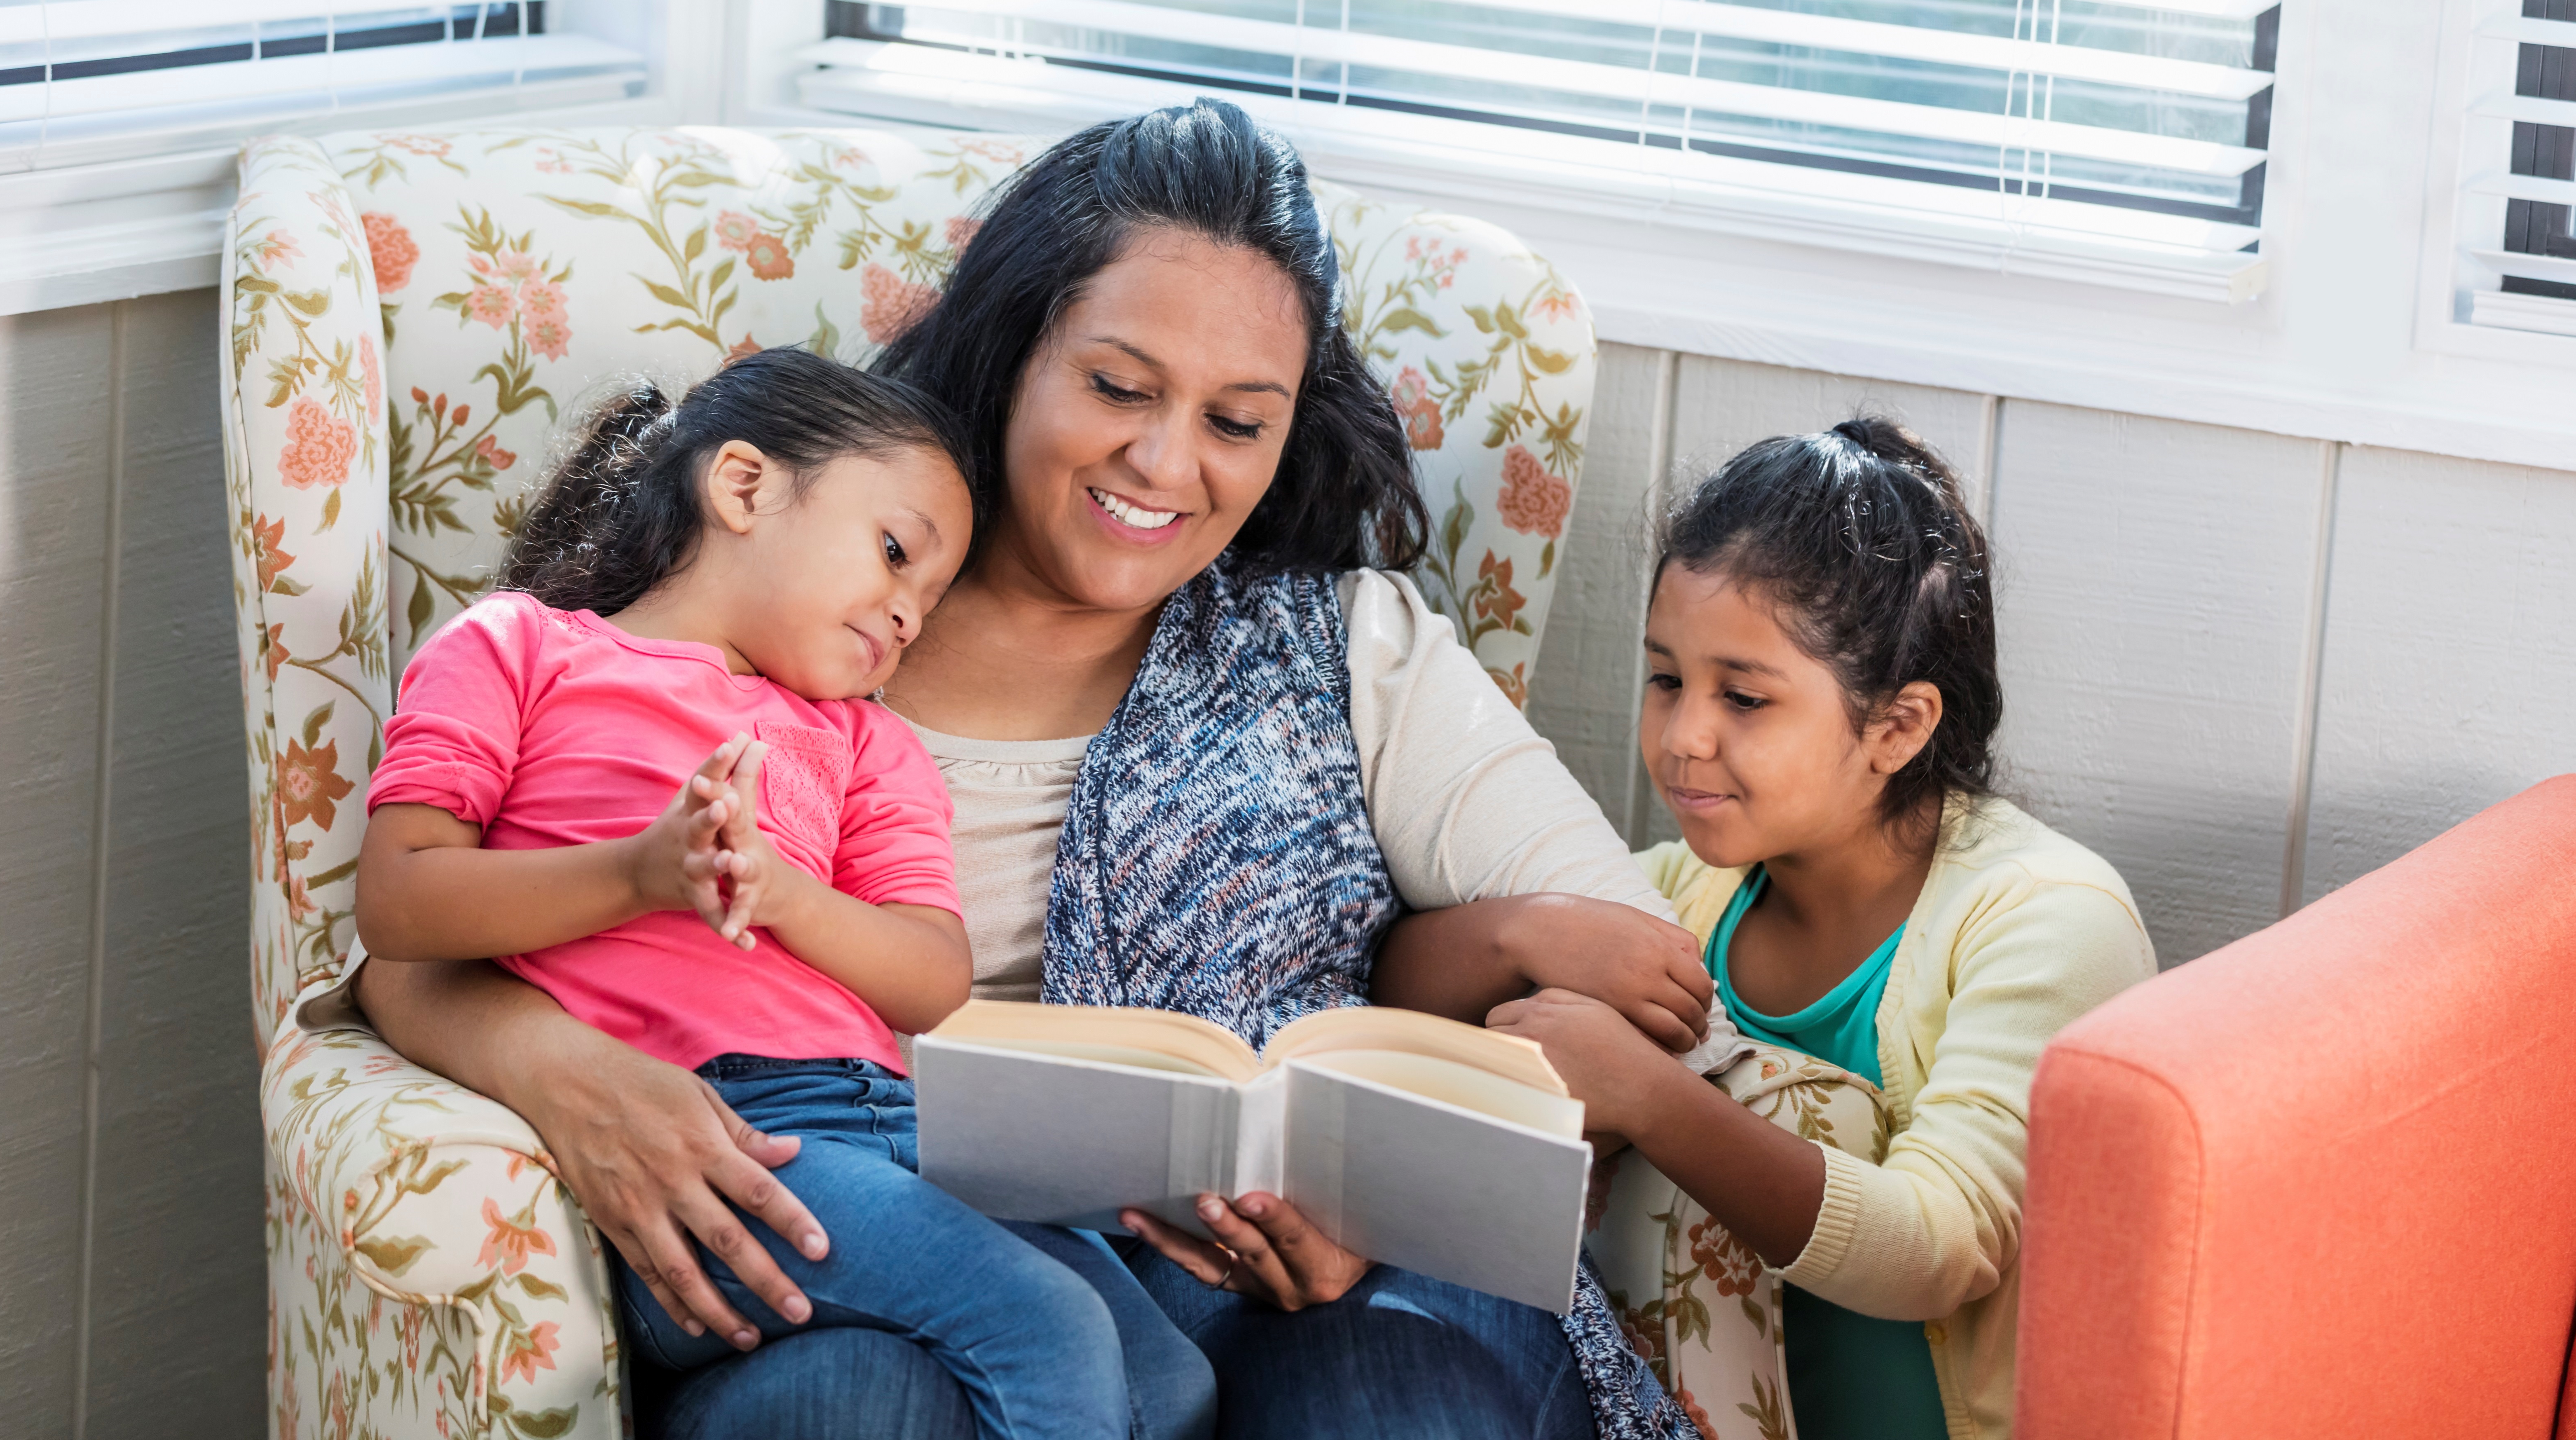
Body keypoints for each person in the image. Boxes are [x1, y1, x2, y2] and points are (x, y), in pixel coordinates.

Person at [324, 99, 1721, 1440]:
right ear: (1012, 354)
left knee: (1387, 1404)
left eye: (1236, 422)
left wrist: (1406, 1141)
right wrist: (561, 1070)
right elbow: (418, 927)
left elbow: (1640, 991)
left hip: (1330, 1289)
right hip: (893, 1247)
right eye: (1117, 386)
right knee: (847, 1405)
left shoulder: (1347, 647)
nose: (1165, 463)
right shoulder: (786, 642)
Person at [349, 347, 1174, 1440]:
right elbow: (399, 903)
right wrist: (639, 874)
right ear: (742, 486)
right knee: (1048, 1332)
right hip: (728, 1140)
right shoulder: (521, 647)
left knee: (1173, 1382)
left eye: (927, 603)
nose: (905, 617)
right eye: (894, 555)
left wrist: (785, 893)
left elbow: (931, 977)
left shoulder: (865, 741)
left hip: (901, 1126)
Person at [1487, 421, 2161, 1440]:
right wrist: (1528, 931)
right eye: (1666, 677)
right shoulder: (1677, 897)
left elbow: (1938, 1246)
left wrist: (1641, 1090)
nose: (1681, 737)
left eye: (1744, 697)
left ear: (1896, 725)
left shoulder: (2046, 918)